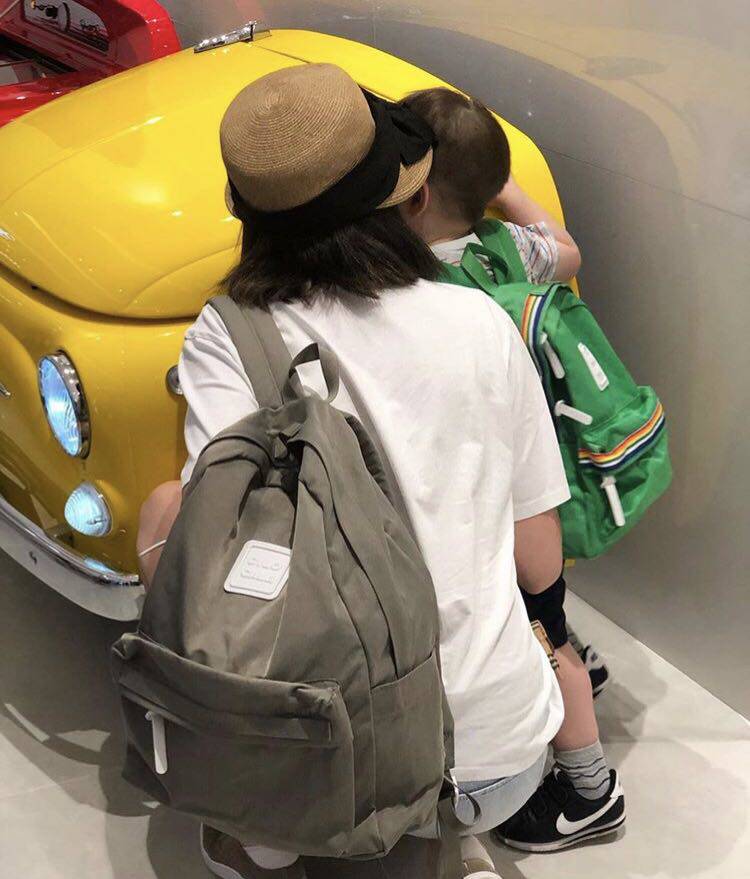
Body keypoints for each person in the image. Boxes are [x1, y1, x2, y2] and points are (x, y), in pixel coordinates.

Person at [139, 62, 573, 879]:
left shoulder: (230, 333)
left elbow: (216, 537)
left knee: (166, 509)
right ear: (413, 199)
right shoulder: (481, 320)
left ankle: (266, 842)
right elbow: (537, 553)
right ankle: (452, 834)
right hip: (503, 752)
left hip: (325, 743)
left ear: (246, 215)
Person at [398, 87, 624, 852]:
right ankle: (570, 656)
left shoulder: (414, 278)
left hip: (484, 489)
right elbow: (568, 250)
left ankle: (590, 790)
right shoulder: (505, 248)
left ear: (413, 192)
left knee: (540, 635)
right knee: (543, 605)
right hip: (538, 476)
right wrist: (508, 191)